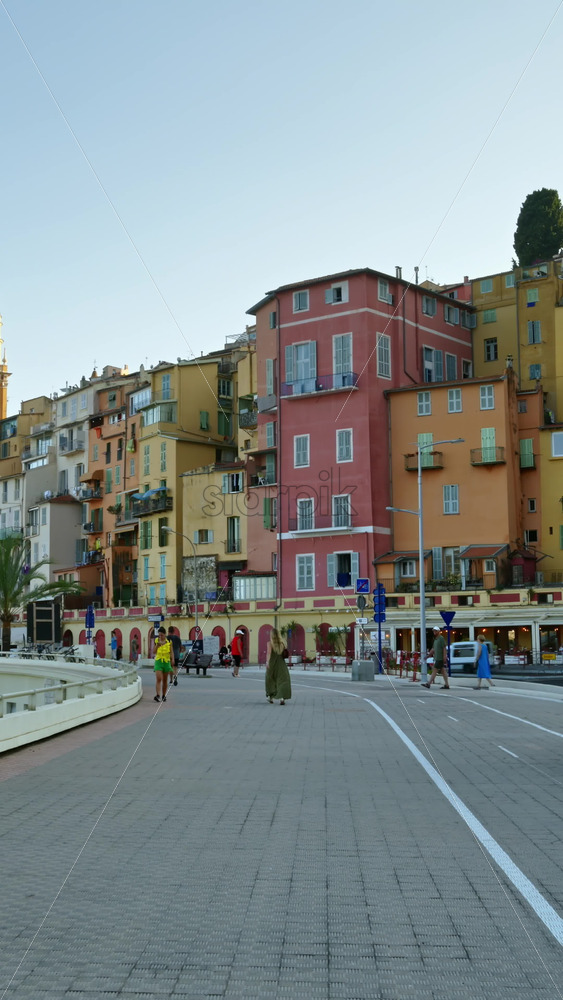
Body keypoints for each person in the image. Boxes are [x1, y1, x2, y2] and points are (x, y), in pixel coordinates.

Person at [265, 628, 292, 705]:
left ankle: (270, 696)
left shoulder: (269, 643)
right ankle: (282, 697)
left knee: (270, 679)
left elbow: (269, 653)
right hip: (281, 664)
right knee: (283, 680)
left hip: (272, 664)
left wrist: (267, 662)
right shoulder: (283, 643)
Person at [153, 626, 173, 702]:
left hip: (166, 662)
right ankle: (158, 695)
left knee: (165, 680)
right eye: (159, 635)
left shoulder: (169, 642)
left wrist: (172, 659)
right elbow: (154, 652)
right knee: (159, 678)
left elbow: (171, 651)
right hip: (158, 661)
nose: (160, 637)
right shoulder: (156, 641)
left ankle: (164, 695)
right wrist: (157, 645)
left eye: (162, 635)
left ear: (165, 634)